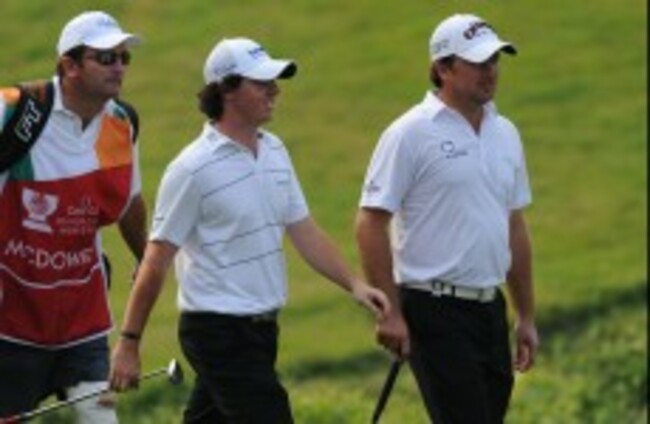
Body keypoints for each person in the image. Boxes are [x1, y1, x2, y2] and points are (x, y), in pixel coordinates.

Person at [108, 37, 390, 423]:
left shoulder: (275, 151)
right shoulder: (192, 169)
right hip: (216, 330)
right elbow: (156, 260)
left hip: (262, 329)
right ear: (226, 89)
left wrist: (354, 284)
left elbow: (304, 230)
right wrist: (129, 342)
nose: (274, 90)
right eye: (261, 83)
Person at [355, 13, 539, 424]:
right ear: (443, 68)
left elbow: (514, 225)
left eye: (494, 60)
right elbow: (370, 223)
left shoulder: (505, 133)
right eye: (477, 62)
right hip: (433, 308)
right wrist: (391, 312)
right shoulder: (409, 133)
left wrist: (525, 315)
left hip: (490, 308)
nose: (490, 71)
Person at [0, 11, 146, 423]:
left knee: (102, 419)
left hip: (84, 322)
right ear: (69, 66)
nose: (119, 67)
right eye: (106, 57)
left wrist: (146, 258)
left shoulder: (122, 123)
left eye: (124, 57)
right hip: (11, 322)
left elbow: (130, 200)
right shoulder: (12, 112)